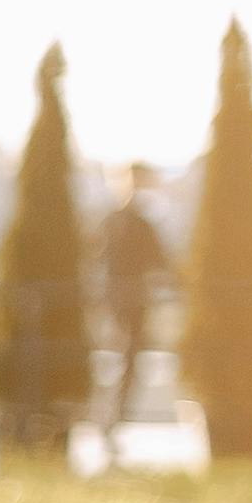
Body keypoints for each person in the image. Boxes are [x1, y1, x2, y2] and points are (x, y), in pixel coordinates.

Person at [97, 166, 173, 438]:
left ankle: (112, 416)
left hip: (129, 304)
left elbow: (161, 263)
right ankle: (109, 416)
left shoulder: (134, 223)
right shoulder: (115, 222)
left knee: (126, 358)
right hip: (121, 303)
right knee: (122, 357)